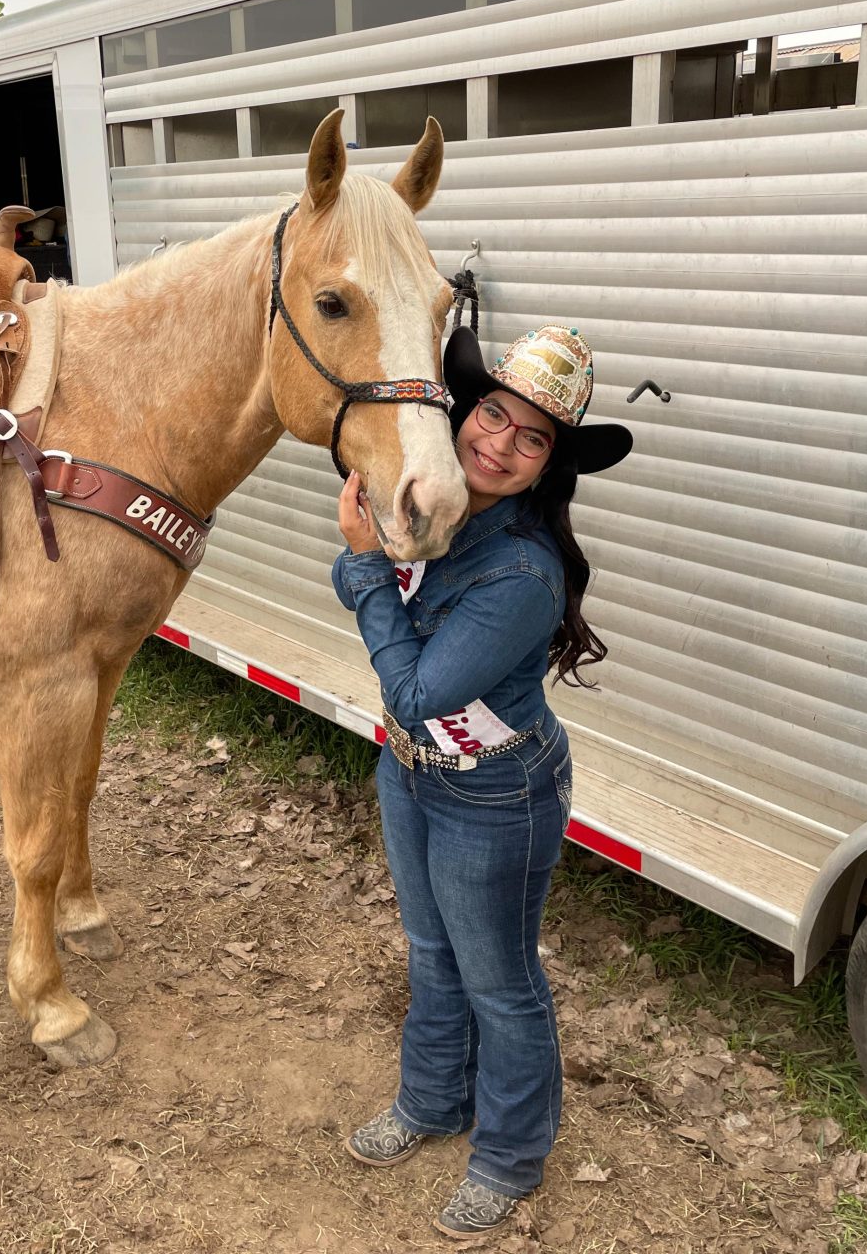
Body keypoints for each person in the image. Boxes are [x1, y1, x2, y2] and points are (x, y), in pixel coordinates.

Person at [331, 322, 633, 1241]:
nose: (497, 444)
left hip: (497, 793)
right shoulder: (436, 509)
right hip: (410, 771)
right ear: (465, 414)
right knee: (430, 954)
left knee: (499, 982)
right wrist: (373, 557)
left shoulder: (521, 573)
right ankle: (430, 1102)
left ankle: (508, 1155)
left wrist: (362, 567)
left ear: (547, 468)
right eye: (491, 416)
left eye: (529, 439)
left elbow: (418, 688)